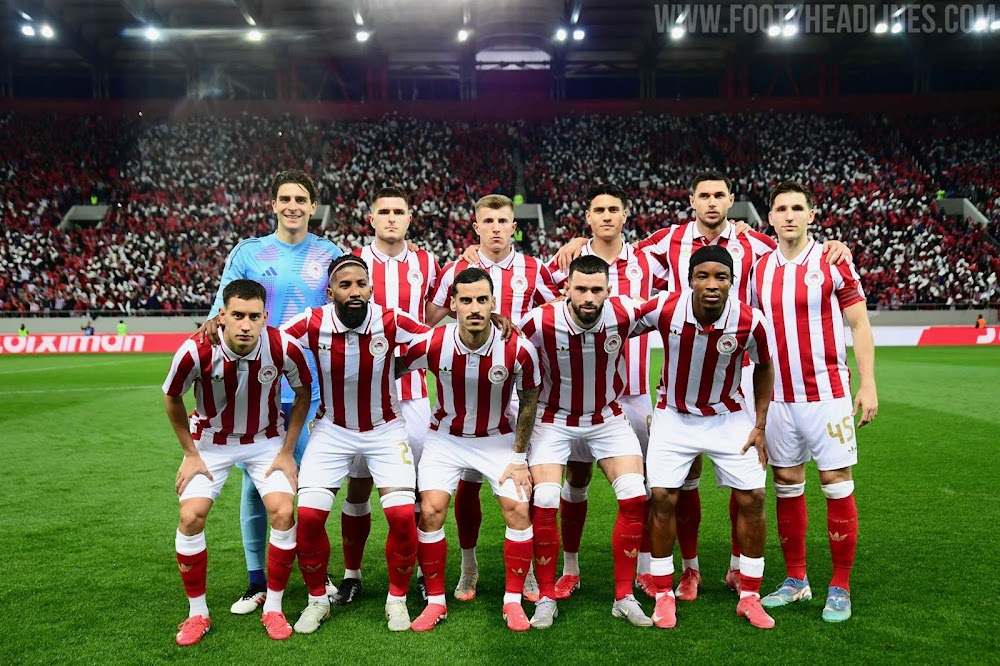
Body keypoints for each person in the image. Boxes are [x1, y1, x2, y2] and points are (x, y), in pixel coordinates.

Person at [554, 170, 850, 601]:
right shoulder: (666, 241)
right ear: (691, 200)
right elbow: (616, 248)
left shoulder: (754, 244)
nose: (711, 202)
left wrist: (831, 247)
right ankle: (685, 570)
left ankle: (737, 567)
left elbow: (794, 249)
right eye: (704, 196)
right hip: (677, 378)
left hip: (737, 369)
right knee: (675, 482)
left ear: (731, 200)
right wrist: (578, 244)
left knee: (745, 480)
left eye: (719, 195)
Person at [199, 170, 342, 614]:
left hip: (311, 387)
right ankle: (256, 580)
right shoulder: (249, 252)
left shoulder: (331, 254)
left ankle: (315, 570)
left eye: (301, 198)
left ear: (312, 206)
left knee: (313, 486)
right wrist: (208, 327)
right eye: (285, 198)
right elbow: (223, 308)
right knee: (255, 487)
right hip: (256, 388)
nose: (293, 205)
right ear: (273, 204)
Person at [280, 255, 429, 634]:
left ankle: (396, 600)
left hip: (385, 430)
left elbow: (438, 339)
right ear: (330, 293)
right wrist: (216, 328)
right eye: (344, 286)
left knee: (399, 516)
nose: (354, 291)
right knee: (310, 518)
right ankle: (317, 600)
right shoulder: (314, 322)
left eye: (360, 284)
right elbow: (272, 340)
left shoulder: (391, 320)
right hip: (332, 430)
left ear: (371, 289)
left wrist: (491, 324)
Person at [752, 181, 878, 622]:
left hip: (827, 394)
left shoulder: (831, 261)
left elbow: (860, 325)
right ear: (769, 218)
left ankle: (840, 585)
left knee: (835, 481)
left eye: (797, 208)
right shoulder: (757, 269)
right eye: (781, 208)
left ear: (810, 214)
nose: (789, 215)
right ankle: (797, 580)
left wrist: (868, 385)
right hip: (778, 397)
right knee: (786, 482)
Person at [163, 279, 313, 646]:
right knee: (190, 516)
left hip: (266, 441)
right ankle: (197, 613)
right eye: (238, 316)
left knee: (283, 512)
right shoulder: (195, 350)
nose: (246, 325)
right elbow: (172, 397)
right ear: (223, 316)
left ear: (265, 318)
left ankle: (273, 607)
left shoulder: (282, 347)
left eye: (254, 317)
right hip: (210, 444)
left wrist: (286, 452)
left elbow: (304, 391)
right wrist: (190, 454)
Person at [634, 245, 775, 630]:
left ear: (733, 282)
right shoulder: (665, 308)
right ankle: (664, 594)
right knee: (662, 496)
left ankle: (749, 595)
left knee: (754, 496)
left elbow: (763, 366)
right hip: (673, 417)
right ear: (690, 280)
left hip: (729, 417)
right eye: (703, 276)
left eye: (721, 277)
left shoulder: (750, 321)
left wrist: (759, 425)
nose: (712, 285)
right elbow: (618, 322)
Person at [431, 194, 561, 602]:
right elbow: (432, 319)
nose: (496, 228)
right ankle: (469, 567)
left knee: (531, 483)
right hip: (471, 390)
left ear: (513, 226)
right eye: (488, 221)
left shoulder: (533, 268)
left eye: (503, 221)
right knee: (467, 486)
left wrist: (516, 327)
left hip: (521, 388)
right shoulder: (458, 268)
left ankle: (533, 572)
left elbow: (557, 309)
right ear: (476, 227)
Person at [400, 267, 542, 632]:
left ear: (494, 303)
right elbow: (387, 368)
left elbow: (528, 402)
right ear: (453, 305)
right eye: (466, 300)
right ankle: (435, 602)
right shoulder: (433, 342)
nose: (474, 307)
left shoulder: (518, 348)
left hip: (496, 437)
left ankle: (512, 601)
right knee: (430, 510)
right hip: (445, 438)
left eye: (482, 300)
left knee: (517, 508)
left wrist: (519, 458)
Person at [545, 184, 667, 599]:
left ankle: (647, 569)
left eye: (614, 208)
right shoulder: (566, 262)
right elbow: (541, 303)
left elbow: (692, 271)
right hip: (577, 397)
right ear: (588, 216)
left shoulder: (650, 260)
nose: (607, 216)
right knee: (575, 478)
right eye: (599, 209)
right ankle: (570, 567)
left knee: (645, 484)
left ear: (626, 213)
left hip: (632, 395)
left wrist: (739, 227)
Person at [519, 255, 652, 629]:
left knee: (633, 494)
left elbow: (671, 312)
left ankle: (623, 596)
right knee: (545, 497)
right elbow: (508, 347)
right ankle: (546, 597)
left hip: (606, 417)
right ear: (567, 290)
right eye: (580, 289)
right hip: (553, 419)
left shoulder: (625, 313)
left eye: (597, 290)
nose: (589, 297)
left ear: (609, 291)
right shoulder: (540, 321)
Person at [333, 187, 440, 606]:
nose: (392, 218)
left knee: (412, 489)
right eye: (384, 212)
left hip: (412, 394)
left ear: (410, 218)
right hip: (360, 394)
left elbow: (432, 316)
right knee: (358, 488)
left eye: (399, 211)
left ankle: (412, 570)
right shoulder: (354, 261)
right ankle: (352, 575)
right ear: (371, 218)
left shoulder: (427, 262)